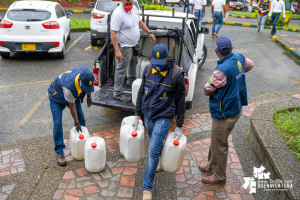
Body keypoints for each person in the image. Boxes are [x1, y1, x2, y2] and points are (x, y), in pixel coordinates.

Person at [132, 44, 186, 200]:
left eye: (160, 61)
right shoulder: (148, 69)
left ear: (167, 58)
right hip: (148, 114)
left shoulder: (176, 74)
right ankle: (160, 162)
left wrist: (179, 125)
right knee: (155, 142)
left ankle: (146, 188)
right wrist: (137, 114)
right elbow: (142, 92)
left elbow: (180, 101)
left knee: (153, 152)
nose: (157, 64)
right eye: (155, 61)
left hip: (164, 116)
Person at [200, 37, 254, 184]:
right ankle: (210, 167)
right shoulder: (240, 59)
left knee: (219, 145)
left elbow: (207, 89)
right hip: (235, 108)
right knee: (216, 140)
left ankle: (218, 176)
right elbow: (250, 65)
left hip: (224, 113)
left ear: (217, 51)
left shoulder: (221, 71)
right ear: (231, 48)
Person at [48, 66, 94, 166]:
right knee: (58, 123)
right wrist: (77, 123)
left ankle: (82, 143)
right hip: (56, 97)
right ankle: (59, 151)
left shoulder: (86, 74)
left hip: (73, 96)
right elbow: (72, 108)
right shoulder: (69, 86)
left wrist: (89, 96)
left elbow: (88, 85)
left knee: (81, 116)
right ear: (80, 81)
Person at [111, 0, 156, 102]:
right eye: (126, 4)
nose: (128, 6)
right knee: (121, 69)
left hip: (134, 44)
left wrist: (149, 32)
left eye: (130, 3)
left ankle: (131, 81)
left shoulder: (134, 8)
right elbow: (113, 33)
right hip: (124, 46)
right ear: (122, 1)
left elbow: (139, 22)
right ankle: (117, 92)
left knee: (134, 62)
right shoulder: (118, 14)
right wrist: (117, 51)